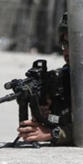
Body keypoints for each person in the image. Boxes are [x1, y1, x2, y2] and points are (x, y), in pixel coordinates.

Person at [16, 12, 73, 145]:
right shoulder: (60, 78)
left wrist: (53, 134)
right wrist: (43, 114)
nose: (66, 53)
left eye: (74, 46)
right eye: (65, 44)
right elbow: (56, 120)